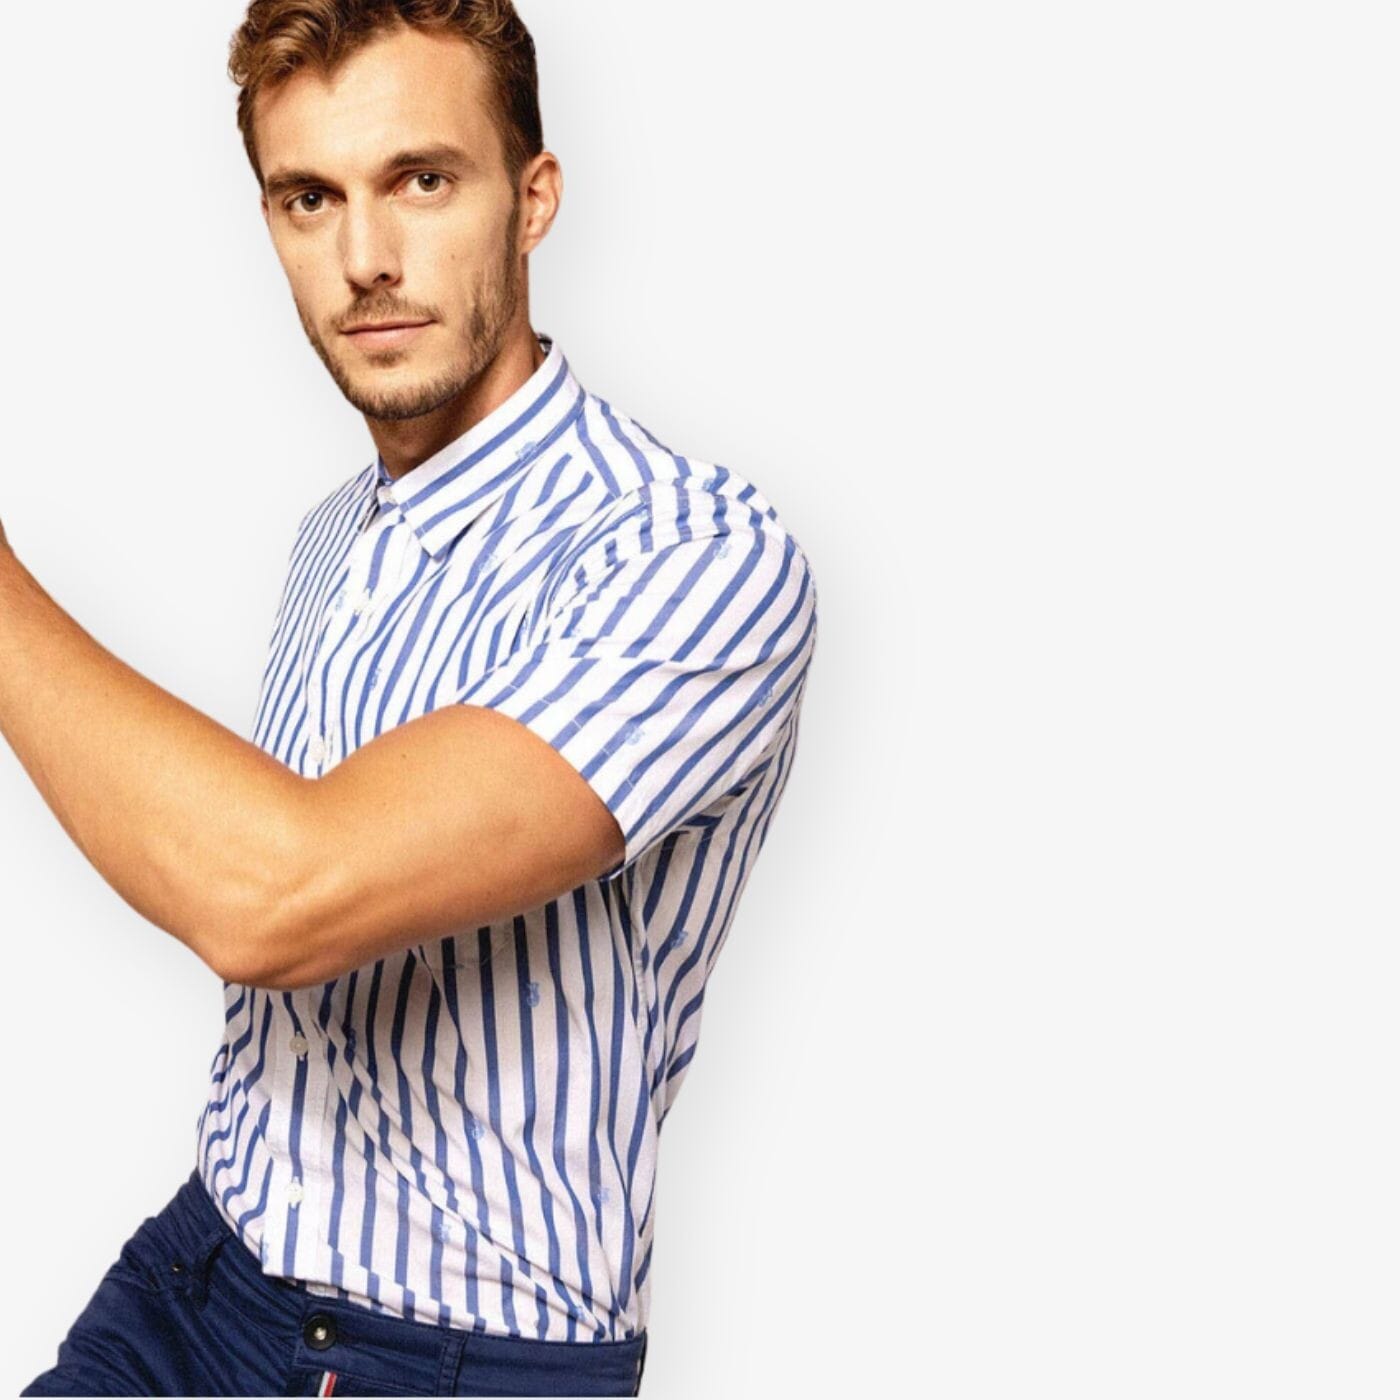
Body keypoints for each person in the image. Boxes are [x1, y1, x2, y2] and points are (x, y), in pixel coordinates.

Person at [10, 0, 817, 1394]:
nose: (365, 259)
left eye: (422, 180)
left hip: (442, 1359)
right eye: (309, 199)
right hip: (198, 1270)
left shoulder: (698, 557)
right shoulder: (337, 531)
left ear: (533, 198)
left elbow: (279, 896)